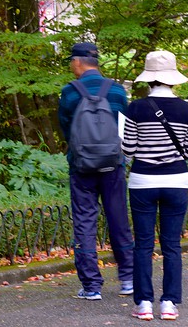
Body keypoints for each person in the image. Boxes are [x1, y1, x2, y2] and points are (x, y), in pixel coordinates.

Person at [122, 50, 188, 321]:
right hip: (176, 181)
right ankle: (169, 303)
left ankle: (143, 303)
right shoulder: (187, 110)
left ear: (148, 79)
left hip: (142, 180)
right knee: (172, 245)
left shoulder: (136, 108)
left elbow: (128, 149)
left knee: (142, 244)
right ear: (173, 79)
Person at [58, 42, 134, 301]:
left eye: (71, 61)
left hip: (82, 167)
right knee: (119, 220)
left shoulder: (69, 92)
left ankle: (91, 286)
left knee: (84, 223)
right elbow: (124, 127)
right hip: (113, 164)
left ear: (78, 62)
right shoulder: (117, 91)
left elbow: (66, 129)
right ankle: (127, 279)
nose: (71, 65)